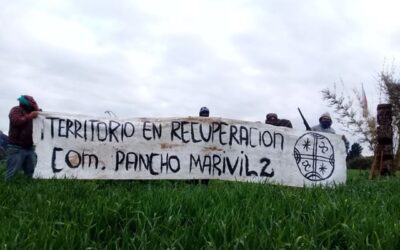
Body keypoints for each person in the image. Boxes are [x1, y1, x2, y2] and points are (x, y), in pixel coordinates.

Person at [5, 95, 40, 179]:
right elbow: (16, 121)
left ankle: (30, 190)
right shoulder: (16, 110)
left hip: (30, 148)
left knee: (32, 173)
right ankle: (8, 189)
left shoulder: (34, 113)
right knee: (12, 173)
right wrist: (30, 116)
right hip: (16, 147)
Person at [199, 106, 210, 185]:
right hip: (196, 152)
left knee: (206, 169)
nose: (205, 115)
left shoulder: (211, 125)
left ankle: (204, 186)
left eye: (206, 114)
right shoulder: (194, 124)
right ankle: (194, 185)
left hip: (207, 152)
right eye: (203, 114)